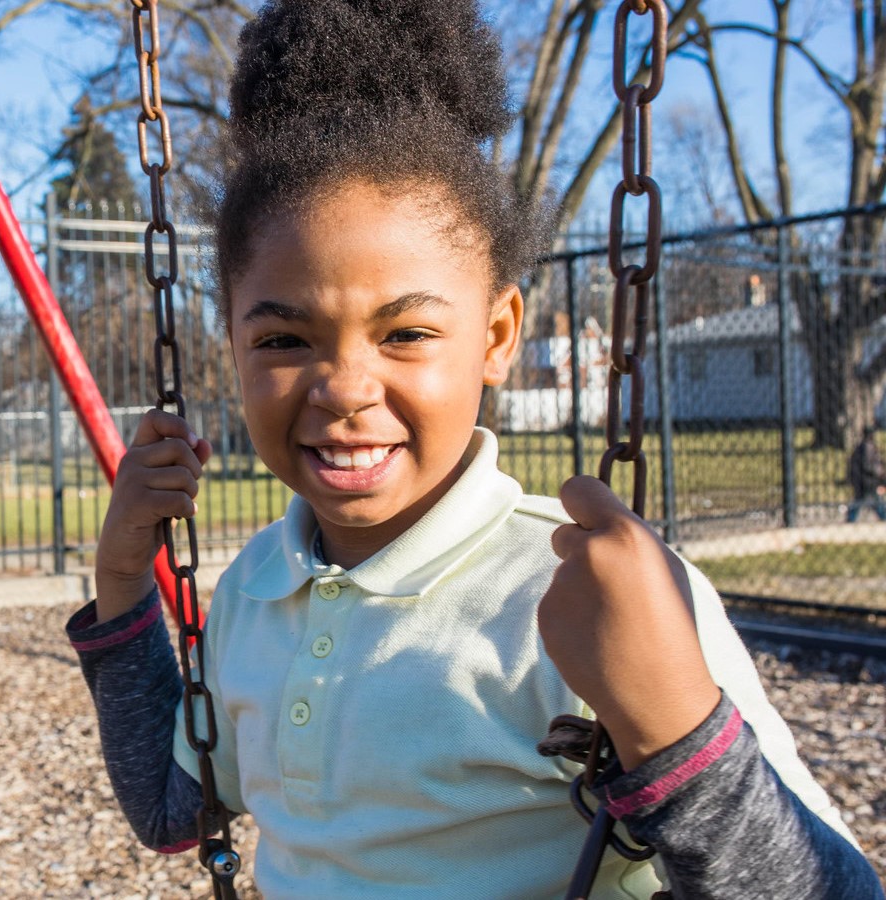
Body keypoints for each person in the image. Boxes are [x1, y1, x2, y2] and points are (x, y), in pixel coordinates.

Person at [66, 2, 882, 897]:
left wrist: (678, 735)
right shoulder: (257, 587)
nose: (342, 388)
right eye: (283, 341)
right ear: (230, 342)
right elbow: (172, 809)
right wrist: (123, 580)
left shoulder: (590, 601)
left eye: (407, 332)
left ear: (497, 336)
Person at [844, 430, 886, 522]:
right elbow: (870, 465)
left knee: (863, 499)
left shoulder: (862, 447)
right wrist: (880, 473)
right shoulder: (868, 447)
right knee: (874, 500)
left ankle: (851, 518)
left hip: (863, 480)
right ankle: (883, 516)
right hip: (867, 480)